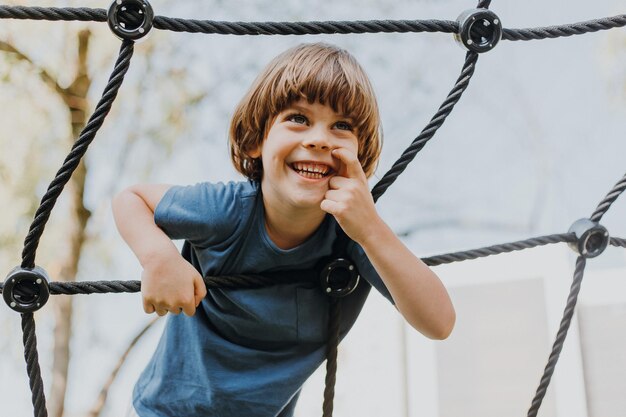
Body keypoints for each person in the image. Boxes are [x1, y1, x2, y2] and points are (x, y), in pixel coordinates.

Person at [112, 42, 455, 417]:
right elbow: (131, 199)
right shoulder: (226, 211)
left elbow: (439, 322)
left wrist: (371, 229)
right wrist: (158, 256)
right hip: (163, 412)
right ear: (257, 140)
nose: (320, 138)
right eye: (298, 118)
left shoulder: (354, 238)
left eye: (342, 126)